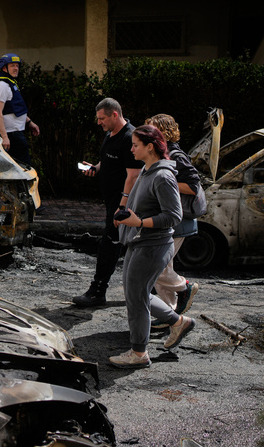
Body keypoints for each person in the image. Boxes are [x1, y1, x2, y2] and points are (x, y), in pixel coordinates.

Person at [109, 125, 196, 369]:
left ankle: (139, 353)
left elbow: (174, 216)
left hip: (153, 246)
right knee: (135, 293)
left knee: (136, 298)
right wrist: (124, 212)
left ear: (150, 147)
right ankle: (178, 322)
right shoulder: (148, 170)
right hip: (139, 243)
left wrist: (140, 222)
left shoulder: (163, 176)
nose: (131, 148)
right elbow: (142, 203)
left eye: (135, 144)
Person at [72, 98, 143, 307]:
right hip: (111, 198)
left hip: (122, 201)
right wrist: (96, 167)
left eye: (102, 118)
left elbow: (134, 175)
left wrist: (122, 206)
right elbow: (109, 160)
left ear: (114, 114)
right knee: (119, 244)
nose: (99, 122)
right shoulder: (110, 135)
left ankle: (98, 291)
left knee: (110, 245)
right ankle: (156, 289)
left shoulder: (130, 137)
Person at [146, 114, 200, 316]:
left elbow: (194, 186)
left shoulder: (176, 155)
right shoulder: (161, 154)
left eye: (152, 130)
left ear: (164, 132)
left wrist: (164, 180)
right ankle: (170, 313)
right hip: (167, 220)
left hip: (178, 221)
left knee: (158, 269)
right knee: (161, 268)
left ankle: (185, 288)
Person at [0, 53, 40, 168]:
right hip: (10, 135)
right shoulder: (1, 86)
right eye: (12, 65)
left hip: (15, 133)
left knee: (22, 168)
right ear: (4, 68)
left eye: (17, 66)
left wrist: (29, 122)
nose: (16, 68)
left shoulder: (10, 84)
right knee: (23, 169)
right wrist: (5, 137)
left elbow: (15, 108)